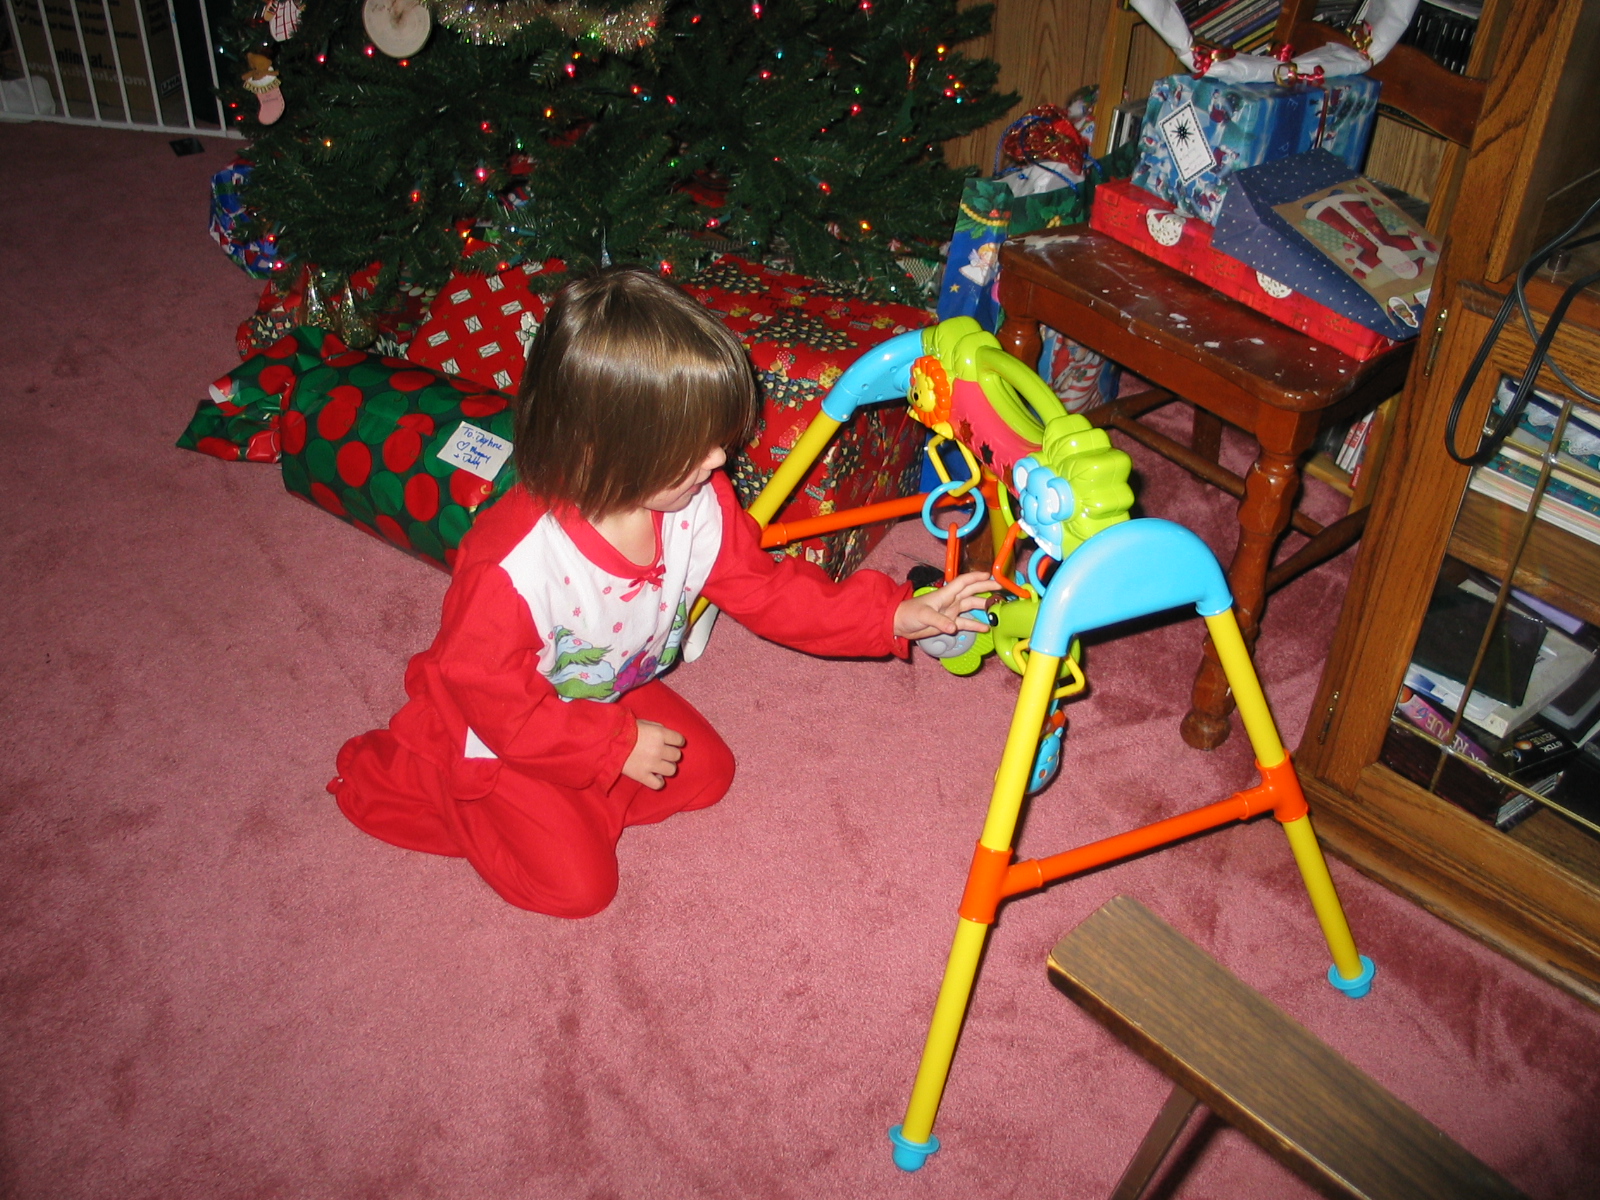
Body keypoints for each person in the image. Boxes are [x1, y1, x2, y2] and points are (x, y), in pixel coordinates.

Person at [329, 266, 993, 917]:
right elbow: (496, 703)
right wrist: (612, 748)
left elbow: (767, 592)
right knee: (581, 890)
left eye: (716, 440)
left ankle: (572, 798)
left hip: (600, 691)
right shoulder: (514, 566)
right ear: (602, 450)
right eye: (694, 447)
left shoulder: (698, 501)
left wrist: (892, 614)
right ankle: (437, 782)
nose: (720, 460)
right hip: (498, 727)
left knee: (707, 775)